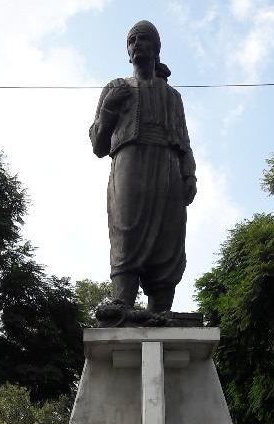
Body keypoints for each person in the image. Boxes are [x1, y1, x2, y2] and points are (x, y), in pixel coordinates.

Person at [89, 20, 197, 313]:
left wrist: (189, 173)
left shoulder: (173, 96)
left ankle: (160, 309)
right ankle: (122, 300)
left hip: (168, 165)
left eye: (144, 39)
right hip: (129, 162)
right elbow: (98, 144)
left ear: (156, 48)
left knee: (169, 232)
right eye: (132, 40)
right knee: (127, 227)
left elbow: (184, 140)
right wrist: (110, 107)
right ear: (128, 50)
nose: (137, 44)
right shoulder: (116, 88)